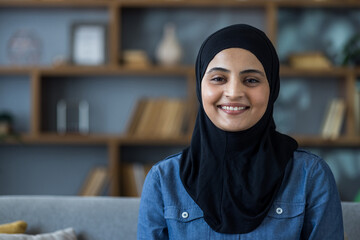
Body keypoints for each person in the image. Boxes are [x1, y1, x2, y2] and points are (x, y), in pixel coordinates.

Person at [137, 24, 344, 239]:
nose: (234, 92)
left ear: (272, 87)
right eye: (218, 78)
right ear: (200, 85)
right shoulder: (163, 180)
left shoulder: (310, 176)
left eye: (251, 80)